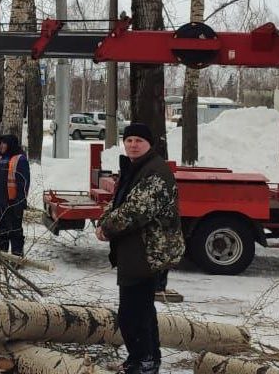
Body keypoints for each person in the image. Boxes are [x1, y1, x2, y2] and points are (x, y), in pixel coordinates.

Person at [96, 123, 185, 374]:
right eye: (129, 139)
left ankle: (144, 362)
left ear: (150, 144)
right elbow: (118, 203)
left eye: (139, 140)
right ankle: (141, 359)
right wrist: (104, 222)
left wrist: (107, 229)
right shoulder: (135, 168)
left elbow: (135, 211)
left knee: (134, 312)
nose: (133, 144)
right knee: (138, 310)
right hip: (134, 251)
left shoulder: (155, 173)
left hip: (148, 254)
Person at [0, 134, 30, 263]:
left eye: (4, 143)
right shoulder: (0, 159)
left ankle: (16, 258)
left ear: (10, 144)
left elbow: (24, 183)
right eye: (0, 143)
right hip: (0, 203)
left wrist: (19, 202)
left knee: (15, 231)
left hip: (13, 203)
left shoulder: (19, 159)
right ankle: (1, 256)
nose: (1, 146)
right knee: (2, 230)